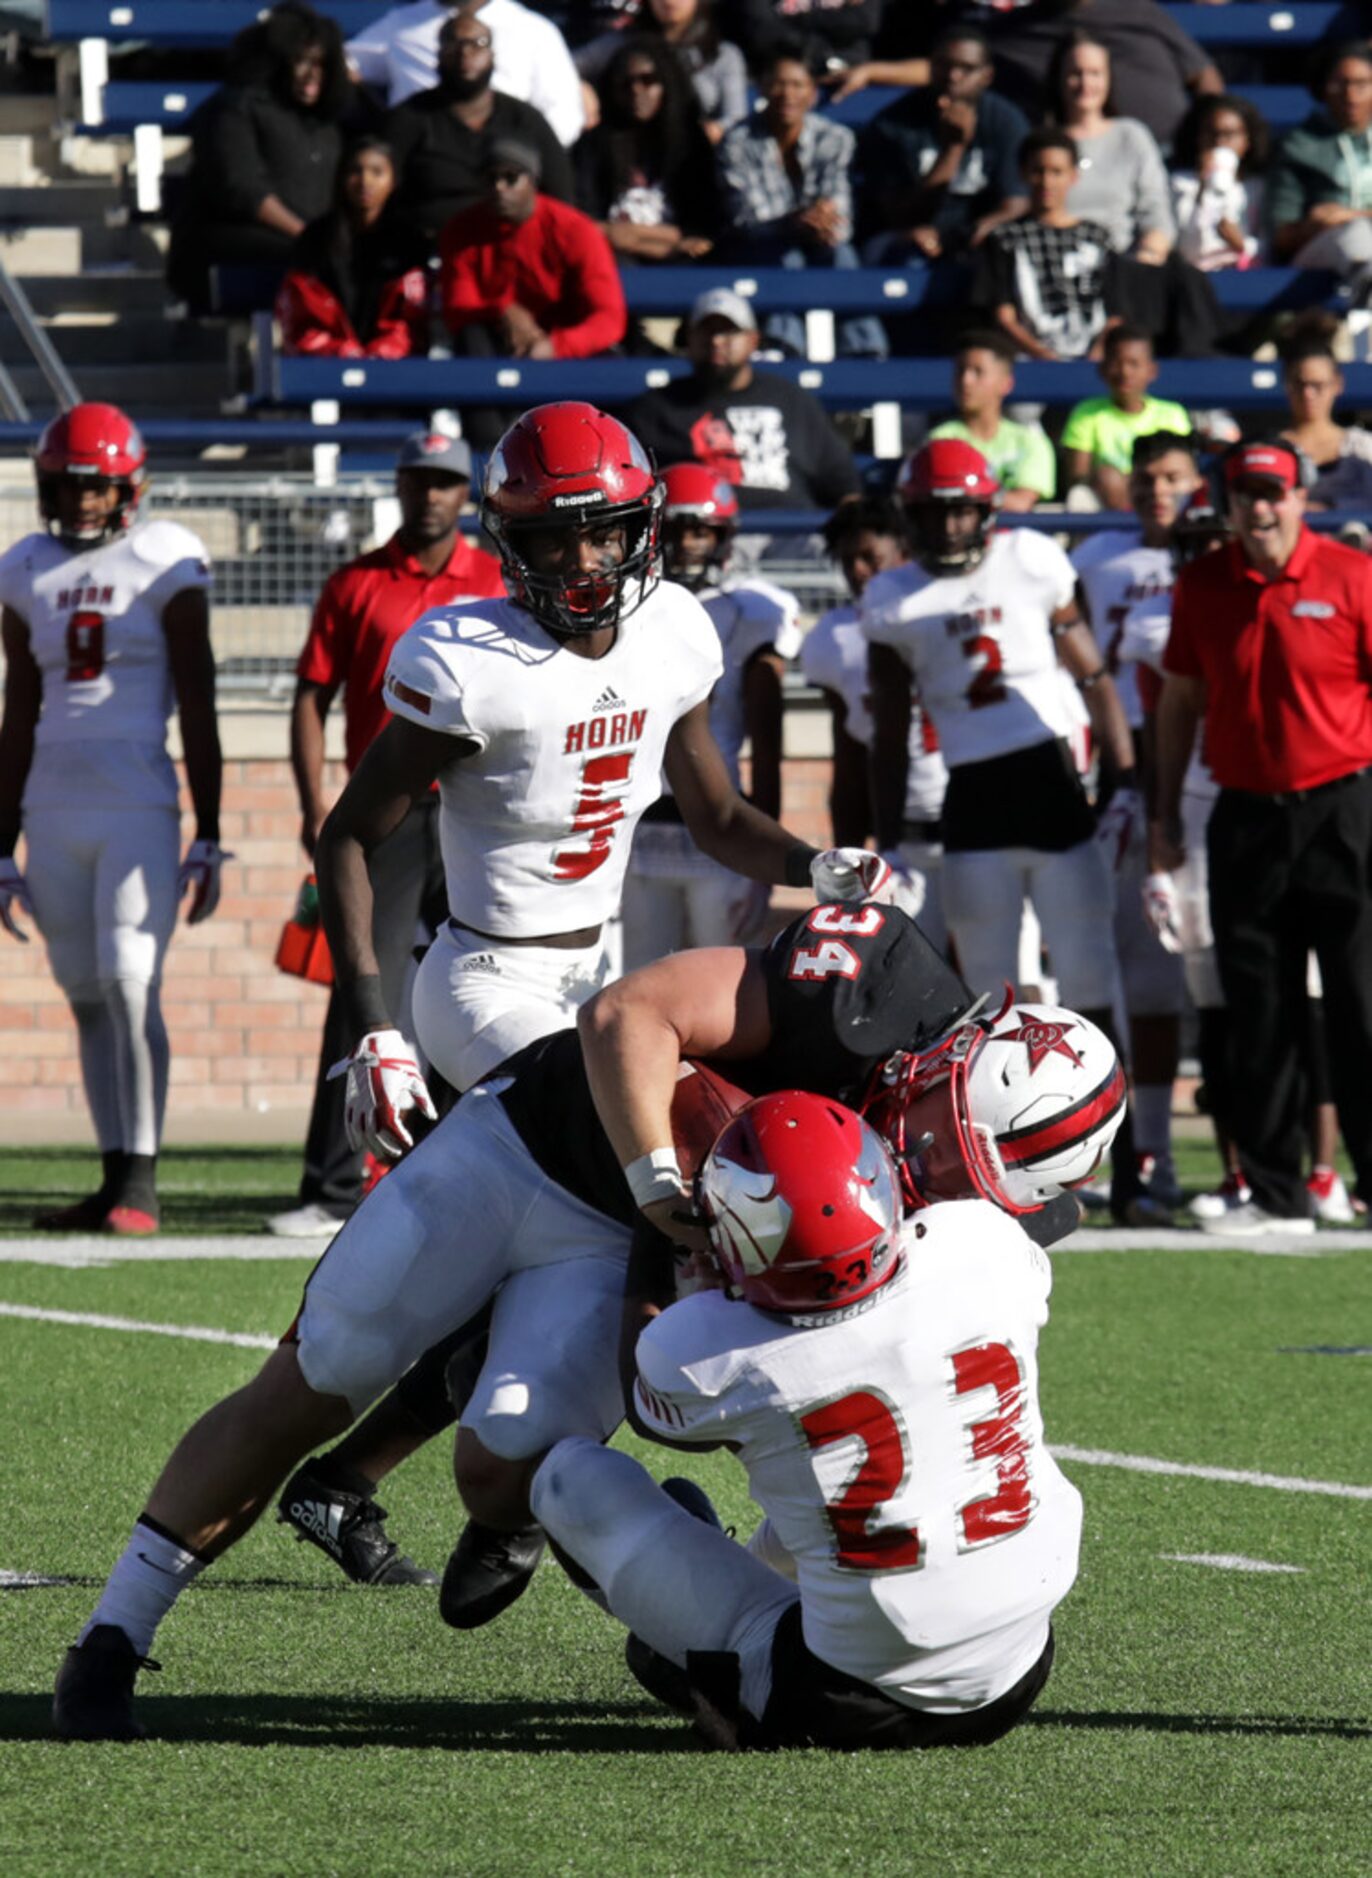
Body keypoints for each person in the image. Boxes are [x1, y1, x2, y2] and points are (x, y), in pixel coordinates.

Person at [52, 891, 1120, 1738]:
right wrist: (661, 1178)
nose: (931, 1172)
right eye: (940, 1144)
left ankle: (534, 1503)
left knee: (505, 1462)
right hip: (537, 1144)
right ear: (950, 1059)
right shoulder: (865, 985)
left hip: (634, 1243)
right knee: (320, 1371)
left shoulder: (983, 1205)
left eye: (965, 1178)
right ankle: (111, 1637)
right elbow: (625, 1013)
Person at [268, 400, 873, 1583]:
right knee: (647, 1199)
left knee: (572, 1246)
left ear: (644, 528)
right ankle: (549, 1502)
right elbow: (346, 838)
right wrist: (377, 1029)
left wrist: (815, 865)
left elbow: (712, 816)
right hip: (487, 978)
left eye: (604, 535)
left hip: (605, 975)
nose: (585, 563)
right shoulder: (465, 658)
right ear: (509, 543)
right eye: (552, 540)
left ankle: (376, 1482)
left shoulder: (674, 635)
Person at [531, 1078, 1111, 1750]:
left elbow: (648, 1398)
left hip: (843, 1695)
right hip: (1019, 1664)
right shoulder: (981, 1243)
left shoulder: (705, 1352)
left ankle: (702, 1662)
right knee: (854, 1482)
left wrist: (653, 1220)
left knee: (566, 1479)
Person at [861, 437, 1150, 1222]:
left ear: (987, 510)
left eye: (961, 510)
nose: (951, 527)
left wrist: (1121, 781)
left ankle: (1120, 1161)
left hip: (1052, 786)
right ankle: (1009, 1165)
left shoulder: (1031, 558)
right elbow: (889, 732)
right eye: (935, 512)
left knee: (1090, 977)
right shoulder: (892, 597)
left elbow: (1091, 675)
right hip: (974, 800)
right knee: (987, 1004)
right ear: (912, 516)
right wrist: (886, 836)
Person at [267, 431, 504, 1246]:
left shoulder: (497, 580)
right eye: (418, 479)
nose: (431, 495)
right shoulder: (356, 581)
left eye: (445, 481)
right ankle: (333, 1179)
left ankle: (469, 1168)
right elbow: (311, 695)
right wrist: (313, 804)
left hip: (480, 807)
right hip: (393, 808)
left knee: (483, 980)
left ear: (462, 491)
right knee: (363, 983)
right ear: (400, 486)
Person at [0, 404, 226, 1235]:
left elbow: (199, 701)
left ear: (130, 488)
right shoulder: (23, 566)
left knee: (133, 987)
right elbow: (16, 713)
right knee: (89, 996)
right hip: (50, 807)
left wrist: (209, 829)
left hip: (137, 800)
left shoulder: (166, 557)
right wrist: (0, 843)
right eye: (67, 486)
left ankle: (143, 1176)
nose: (82, 502)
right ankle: (111, 1174)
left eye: (95, 488)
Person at [1150, 439, 1372, 1235]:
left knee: (1362, 1001)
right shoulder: (1204, 584)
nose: (1260, 506)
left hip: (1345, 810)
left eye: (1273, 492)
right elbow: (1179, 706)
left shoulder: (1353, 574)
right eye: (1246, 493)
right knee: (1260, 1007)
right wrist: (1164, 814)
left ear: (1301, 497)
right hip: (1244, 813)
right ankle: (1279, 1192)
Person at [1071, 431, 1201, 1206]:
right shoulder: (1095, 559)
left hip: (1199, 775)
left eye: (1175, 477)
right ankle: (1127, 1152)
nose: (1159, 490)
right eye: (1148, 476)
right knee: (1127, 971)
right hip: (1119, 778)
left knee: (1184, 975)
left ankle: (1159, 1147)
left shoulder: (1212, 557)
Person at [621, 463, 801, 968]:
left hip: (716, 827)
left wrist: (765, 858)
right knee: (638, 981)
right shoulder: (623, 605)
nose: (688, 544)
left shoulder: (752, 609)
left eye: (701, 530)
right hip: (639, 826)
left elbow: (767, 744)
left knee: (724, 986)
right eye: (676, 530)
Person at [801, 496, 950, 953]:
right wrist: (852, 853)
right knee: (916, 970)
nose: (860, 571)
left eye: (870, 557)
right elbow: (849, 758)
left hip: (971, 814)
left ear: (904, 549)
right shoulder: (834, 635)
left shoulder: (942, 605)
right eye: (849, 561)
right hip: (902, 826)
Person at [167, 1, 353, 311]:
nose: (311, 74)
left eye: (321, 64)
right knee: (322, 262)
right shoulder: (235, 108)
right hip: (236, 240)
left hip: (308, 241)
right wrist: (307, 236)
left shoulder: (327, 123)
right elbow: (243, 190)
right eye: (301, 62)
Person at [716, 40, 885, 360]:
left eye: (797, 84)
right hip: (759, 246)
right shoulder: (737, 142)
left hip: (821, 242)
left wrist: (821, 221)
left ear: (813, 92)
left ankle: (864, 350)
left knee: (843, 252)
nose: (787, 94)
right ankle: (785, 346)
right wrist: (795, 221)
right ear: (763, 88)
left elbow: (840, 216)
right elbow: (747, 217)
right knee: (787, 256)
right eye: (778, 83)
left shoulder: (835, 138)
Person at [619, 288, 861, 512]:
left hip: (790, 535)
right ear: (688, 338)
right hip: (698, 534)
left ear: (753, 340)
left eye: (729, 331)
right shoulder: (655, 409)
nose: (716, 341)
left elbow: (842, 481)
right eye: (706, 331)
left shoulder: (792, 400)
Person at [385, 9, 574, 245]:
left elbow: (561, 197)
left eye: (477, 44)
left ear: (493, 55)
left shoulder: (524, 119)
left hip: (513, 247)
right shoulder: (409, 118)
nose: (465, 52)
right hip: (429, 248)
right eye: (454, 43)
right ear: (439, 53)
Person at [439, 140, 626, 364]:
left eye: (511, 178)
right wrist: (503, 311)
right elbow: (458, 307)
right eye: (490, 179)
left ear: (533, 181)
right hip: (498, 343)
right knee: (472, 337)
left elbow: (608, 319)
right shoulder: (462, 230)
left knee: (609, 361)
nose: (499, 188)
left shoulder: (575, 230)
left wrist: (556, 346)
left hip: (564, 344)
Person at [857, 27, 1030, 269]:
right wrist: (953, 149)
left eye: (966, 69)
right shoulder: (893, 124)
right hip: (903, 237)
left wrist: (976, 230)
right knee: (909, 258)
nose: (953, 76)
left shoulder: (1006, 120)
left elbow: (1016, 203)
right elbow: (899, 216)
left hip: (975, 238)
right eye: (943, 65)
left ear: (987, 76)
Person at [973, 128, 1120, 363]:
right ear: (1022, 174)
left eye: (1056, 172)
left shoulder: (1097, 237)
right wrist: (1043, 356)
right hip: (1029, 361)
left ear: (1073, 176)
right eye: (1037, 171)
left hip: (1095, 363)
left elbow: (1116, 311)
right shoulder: (1005, 238)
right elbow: (1004, 315)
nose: (1046, 182)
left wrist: (1097, 353)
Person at [348, 0, 585, 145]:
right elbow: (344, 62)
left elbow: (564, 114)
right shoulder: (401, 24)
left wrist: (521, 155)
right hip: (420, 165)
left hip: (504, 171)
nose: (464, 53)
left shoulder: (532, 29)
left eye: (478, 45)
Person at [275, 137, 429, 359]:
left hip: (393, 363)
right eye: (355, 172)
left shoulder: (409, 241)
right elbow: (304, 313)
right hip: (328, 360)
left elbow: (411, 319)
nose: (365, 181)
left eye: (377, 172)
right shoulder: (316, 238)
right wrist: (343, 350)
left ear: (393, 181)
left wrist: (383, 351)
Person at [573, 36, 718, 267]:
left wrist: (634, 236)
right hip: (611, 253)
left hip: (681, 258)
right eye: (625, 83)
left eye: (648, 80)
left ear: (666, 85)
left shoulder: (691, 144)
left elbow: (703, 228)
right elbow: (582, 222)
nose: (636, 90)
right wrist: (637, 240)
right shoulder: (593, 145)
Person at [1267, 39, 1372, 303]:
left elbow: (1348, 217)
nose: (1350, 95)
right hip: (1323, 248)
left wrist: (1348, 214)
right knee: (1356, 234)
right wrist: (1313, 227)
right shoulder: (1299, 145)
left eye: (1361, 85)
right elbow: (1281, 236)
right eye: (1340, 84)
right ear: (1323, 88)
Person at [574, 0, 747, 144]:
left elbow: (736, 118)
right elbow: (566, 66)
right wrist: (581, 87)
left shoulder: (723, 55)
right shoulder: (623, 43)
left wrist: (716, 130)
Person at [1060, 324, 1192, 512]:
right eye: (1116, 363)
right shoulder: (1085, 413)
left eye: (1134, 364)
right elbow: (1077, 476)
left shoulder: (1173, 414)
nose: (1125, 373)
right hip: (1105, 502)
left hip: (1162, 497)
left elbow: (1182, 471)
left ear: (1152, 371)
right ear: (1102, 369)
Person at [929, 329, 1055, 512]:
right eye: (960, 370)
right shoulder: (940, 439)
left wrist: (964, 491)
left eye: (978, 372)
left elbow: (1021, 504)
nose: (966, 380)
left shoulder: (1029, 442)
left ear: (1006, 383)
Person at [1169, 93, 1270, 275]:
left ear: (1247, 140)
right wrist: (1202, 186)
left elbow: (1271, 246)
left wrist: (1241, 243)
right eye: (1211, 133)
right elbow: (1185, 247)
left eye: (1229, 134)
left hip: (1245, 277)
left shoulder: (1258, 188)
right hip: (1192, 279)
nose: (1219, 142)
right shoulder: (1180, 183)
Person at [1279, 333, 1372, 517]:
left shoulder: (1364, 447)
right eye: (1299, 384)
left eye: (1318, 385)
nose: (1308, 394)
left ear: (1337, 384)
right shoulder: (1269, 448)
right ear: (1286, 384)